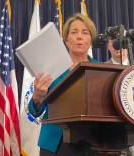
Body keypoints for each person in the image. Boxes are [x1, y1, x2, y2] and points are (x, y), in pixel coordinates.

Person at [28, 13, 98, 156]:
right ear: (66, 40)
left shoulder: (101, 70)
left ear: (90, 41)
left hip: (92, 142)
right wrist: (37, 97)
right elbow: (36, 111)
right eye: (74, 32)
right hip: (55, 142)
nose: (79, 37)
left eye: (85, 33)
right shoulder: (50, 69)